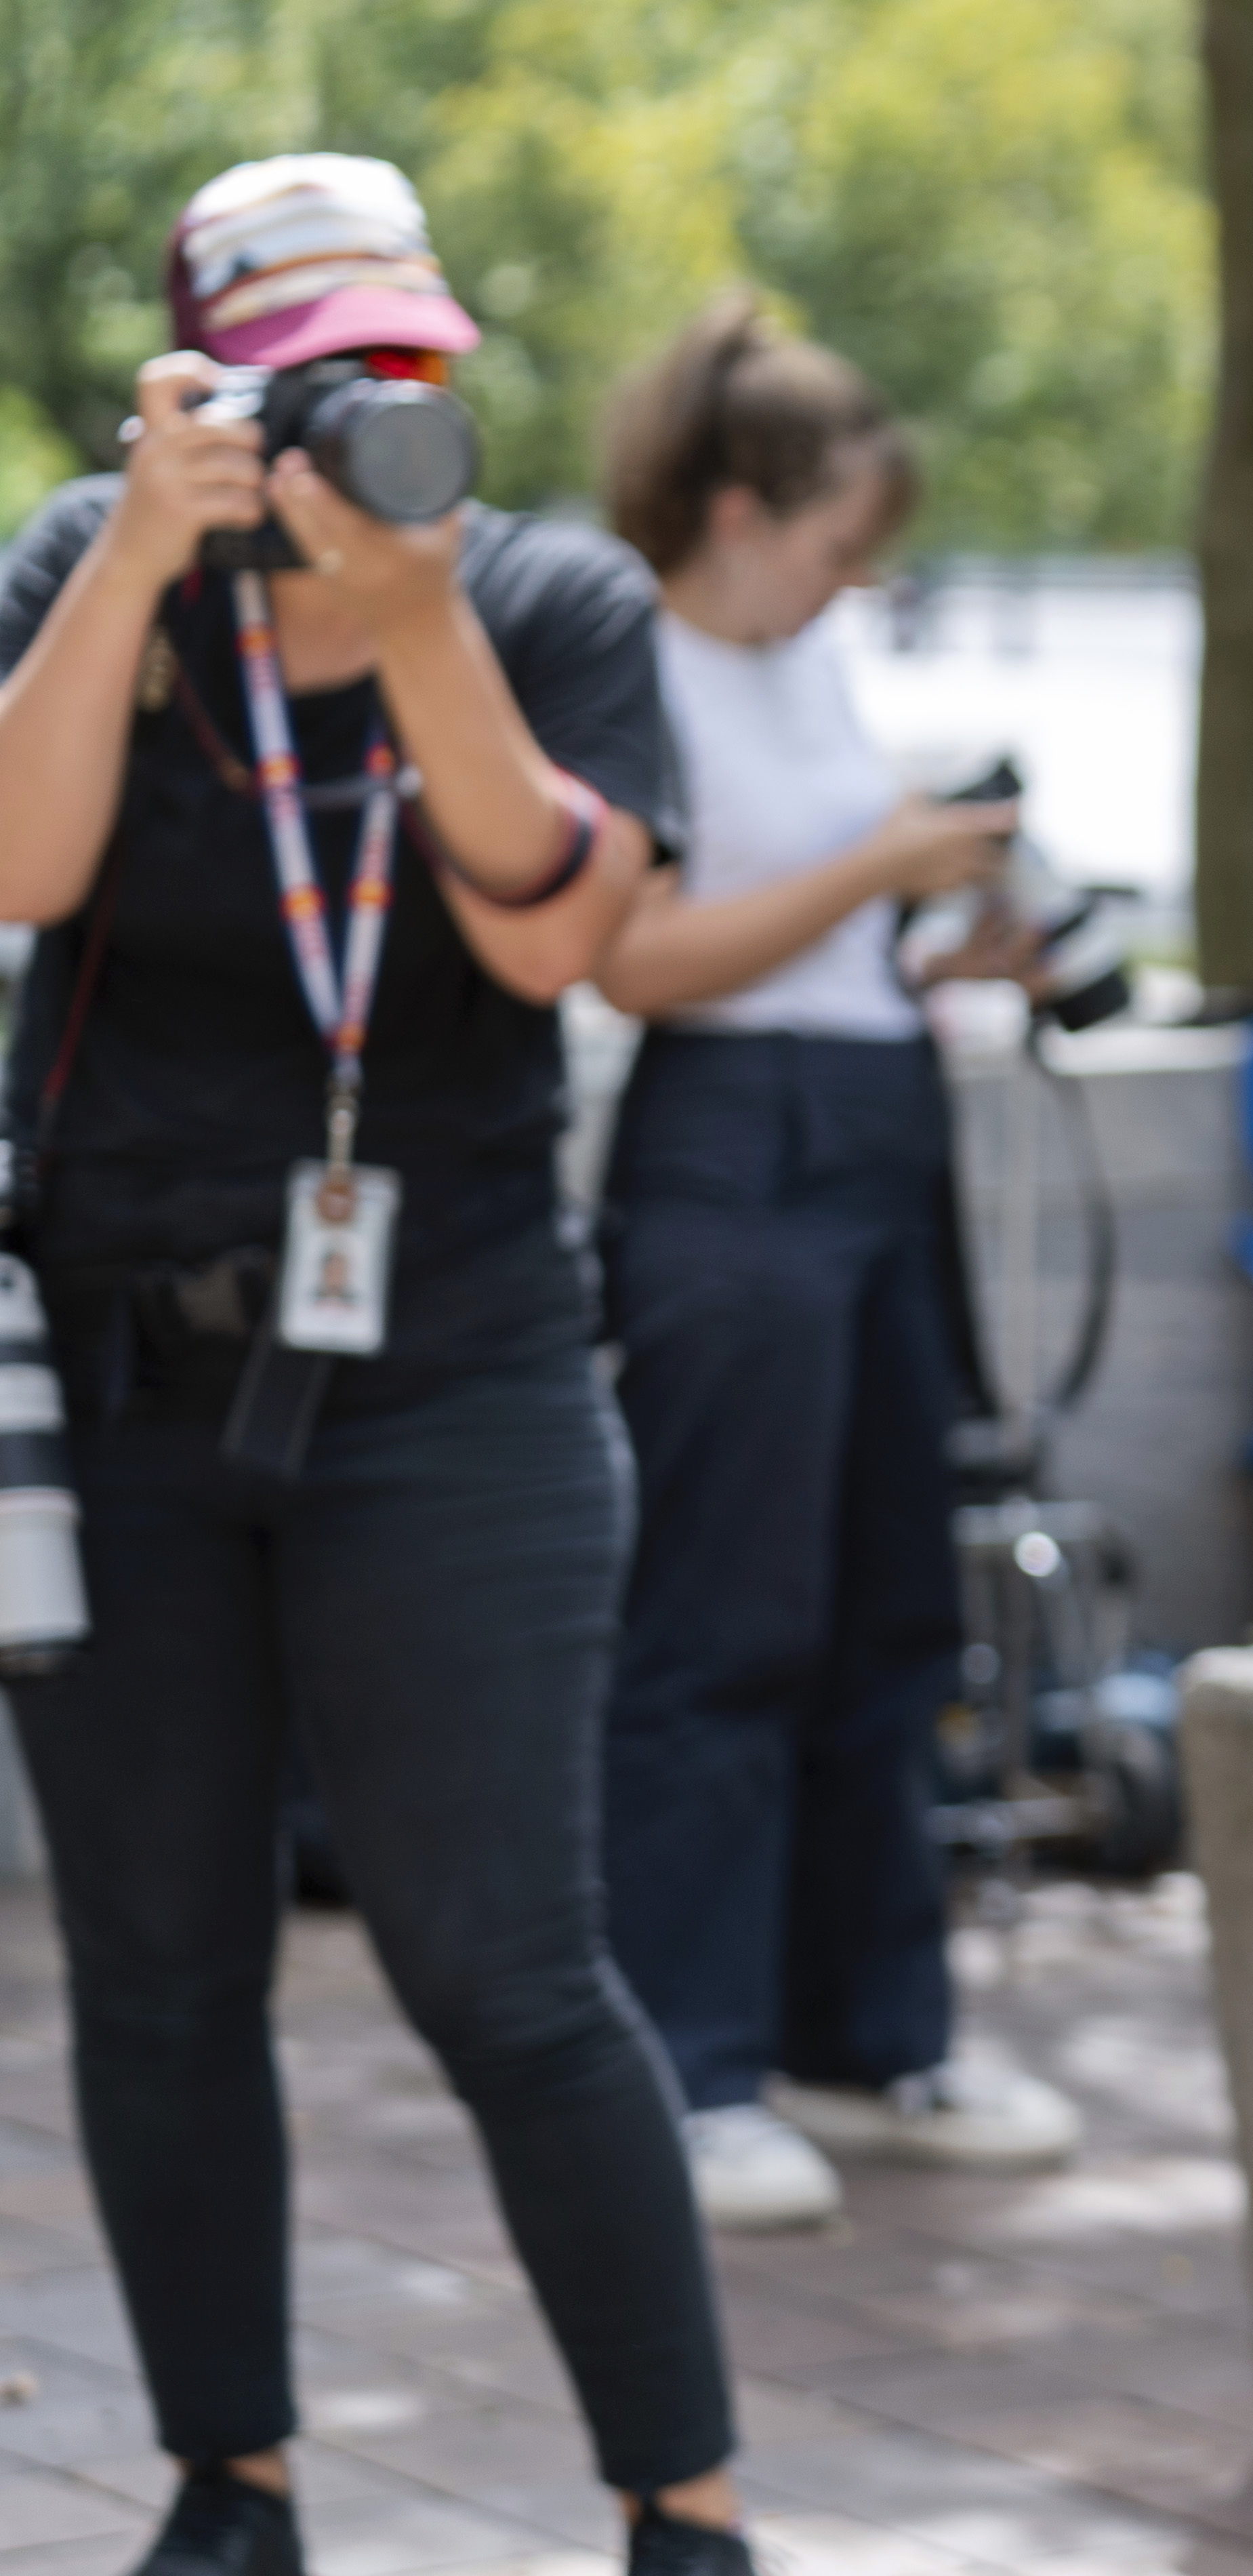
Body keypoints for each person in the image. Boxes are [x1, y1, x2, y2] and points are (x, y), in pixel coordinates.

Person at [0, 157, 748, 2576]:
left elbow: (553, 940)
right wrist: (135, 548)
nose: (371, 414)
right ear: (197, 388)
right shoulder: (90, 566)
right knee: (156, 1969)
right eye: (315, 379)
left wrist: (418, 622)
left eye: (406, 367)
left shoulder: (543, 595)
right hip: (128, 1380)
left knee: (509, 1968)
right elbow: (16, 871)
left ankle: (686, 2510)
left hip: (457, 1379)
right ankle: (231, 2485)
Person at [588, 298, 1087, 2230]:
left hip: (879, 1123)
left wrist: (953, 936)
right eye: (835, 537)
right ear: (737, 508)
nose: (854, 575)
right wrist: (879, 870)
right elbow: (637, 961)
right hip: (729, 1147)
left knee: (893, 1611)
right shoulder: (627, 659)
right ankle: (691, 2064)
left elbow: (806, 933)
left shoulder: (810, 663)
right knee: (723, 1618)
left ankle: (871, 2036)